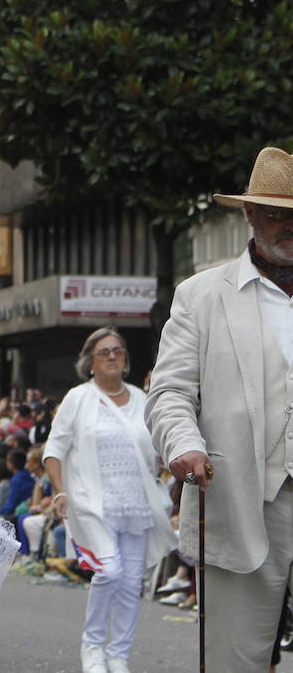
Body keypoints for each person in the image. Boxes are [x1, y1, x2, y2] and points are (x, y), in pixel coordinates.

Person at [147, 146, 293, 672]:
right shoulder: (202, 296)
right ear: (250, 213)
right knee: (236, 663)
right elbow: (169, 393)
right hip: (239, 499)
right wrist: (184, 443)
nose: (290, 225)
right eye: (278, 214)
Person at [43, 326, 176, 672]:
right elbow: (54, 450)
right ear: (90, 363)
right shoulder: (77, 398)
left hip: (136, 503)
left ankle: (118, 655)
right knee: (109, 571)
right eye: (105, 352)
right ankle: (92, 647)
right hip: (91, 503)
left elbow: (158, 447)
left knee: (132, 582)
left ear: (127, 360)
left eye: (118, 350)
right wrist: (59, 490)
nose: (113, 356)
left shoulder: (142, 399)